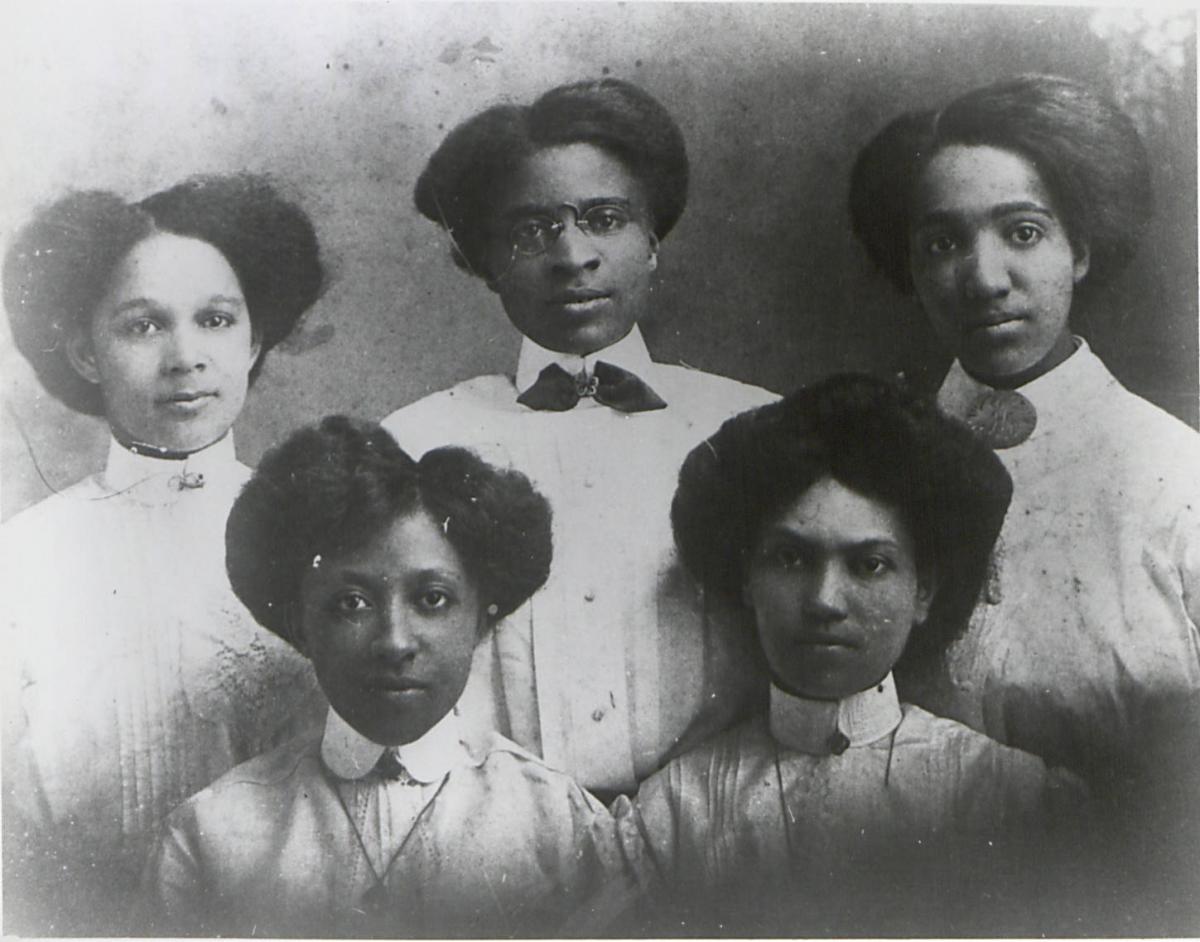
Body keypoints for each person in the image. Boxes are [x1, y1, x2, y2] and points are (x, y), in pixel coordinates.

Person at [382, 78, 778, 798]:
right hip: (498, 847)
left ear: (653, 240)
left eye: (604, 218)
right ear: (487, 263)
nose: (573, 257)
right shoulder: (414, 444)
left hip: (720, 837)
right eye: (531, 231)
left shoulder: (754, 429)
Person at [615, 374, 1082, 935]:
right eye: (789, 558)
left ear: (924, 592)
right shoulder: (674, 816)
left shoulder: (1009, 799)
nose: (823, 602)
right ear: (745, 580)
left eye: (869, 564)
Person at [141, 416, 631, 937]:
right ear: (299, 625)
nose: (395, 641)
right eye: (352, 603)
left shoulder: (558, 823)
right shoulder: (212, 835)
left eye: (432, 599)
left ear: (483, 619)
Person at [848, 74, 1200, 796]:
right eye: (943, 242)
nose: (983, 279)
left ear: (1081, 250)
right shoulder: (862, 469)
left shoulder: (1178, 476)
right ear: (910, 267)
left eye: (1024, 233)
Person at [0, 174, 328, 933]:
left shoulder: (319, 534)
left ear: (254, 340)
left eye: (215, 320)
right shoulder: (24, 557)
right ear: (84, 351)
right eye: (142, 326)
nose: (186, 356)